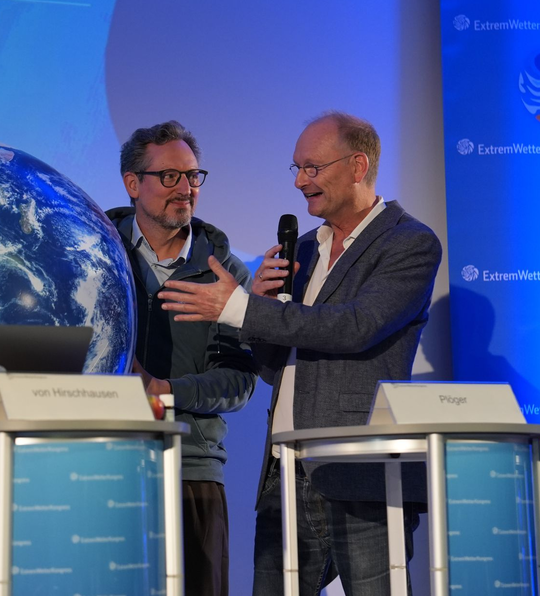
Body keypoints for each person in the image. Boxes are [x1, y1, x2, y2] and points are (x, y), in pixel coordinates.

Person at [158, 112, 442, 595]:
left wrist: (243, 309)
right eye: (296, 169)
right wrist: (264, 309)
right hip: (286, 469)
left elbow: (356, 327)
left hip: (365, 470)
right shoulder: (304, 248)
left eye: (312, 167)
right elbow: (278, 367)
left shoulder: (408, 242)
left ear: (357, 166)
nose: (301, 182)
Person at [105, 120, 257, 596]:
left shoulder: (223, 272)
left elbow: (239, 381)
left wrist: (166, 392)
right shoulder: (94, 253)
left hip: (191, 467)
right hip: (100, 462)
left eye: (192, 177)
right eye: (169, 176)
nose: (185, 188)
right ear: (133, 183)